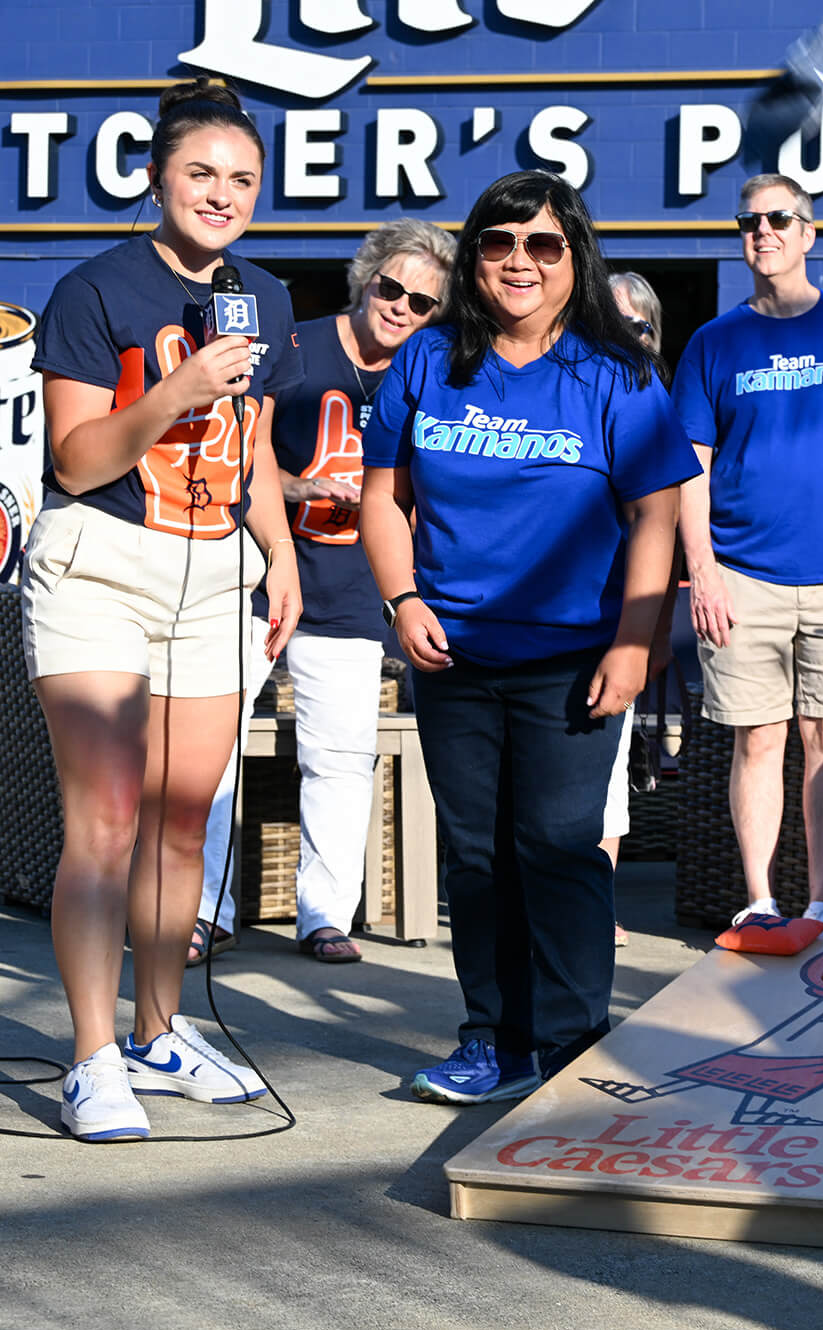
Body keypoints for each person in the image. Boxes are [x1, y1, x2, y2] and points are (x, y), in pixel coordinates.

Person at [359, 170, 697, 1104]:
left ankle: (573, 1042)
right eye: (499, 244)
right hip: (452, 655)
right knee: (476, 855)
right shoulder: (427, 362)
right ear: (472, 258)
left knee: (557, 844)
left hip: (571, 659)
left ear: (573, 257)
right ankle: (493, 1041)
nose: (520, 262)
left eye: (543, 245)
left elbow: (656, 520)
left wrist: (636, 643)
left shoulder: (618, 372)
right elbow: (382, 499)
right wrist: (402, 599)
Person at [25, 78, 300, 1140]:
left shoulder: (265, 298)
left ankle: (158, 1030)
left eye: (241, 180)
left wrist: (279, 556)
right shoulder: (95, 291)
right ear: (155, 177)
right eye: (201, 174)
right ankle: (90, 1057)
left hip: (211, 572)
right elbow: (79, 454)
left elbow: (259, 451)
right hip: (98, 564)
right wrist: (173, 395)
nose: (221, 195)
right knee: (103, 824)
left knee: (184, 822)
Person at [192, 218, 454, 965]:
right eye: (392, 287)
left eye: (423, 301)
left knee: (341, 754)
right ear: (366, 277)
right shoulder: (294, 345)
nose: (402, 306)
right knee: (212, 746)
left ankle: (324, 914)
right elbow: (228, 451)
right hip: (250, 575)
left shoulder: (433, 369)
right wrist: (304, 484)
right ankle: (206, 909)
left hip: (347, 587)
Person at [671, 173, 823, 935]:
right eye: (749, 221)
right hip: (744, 575)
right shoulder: (715, 343)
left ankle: (820, 903)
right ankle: (759, 899)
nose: (764, 231)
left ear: (809, 233)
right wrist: (702, 570)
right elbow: (692, 463)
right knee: (758, 738)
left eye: (780, 218)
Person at [603, 269, 671, 948]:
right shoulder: (559, 393)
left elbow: (670, 530)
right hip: (559, 609)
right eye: (611, 322)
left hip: (627, 613)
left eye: (640, 326)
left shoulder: (663, 413)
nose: (626, 338)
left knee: (609, 762)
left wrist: (651, 631)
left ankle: (595, 903)